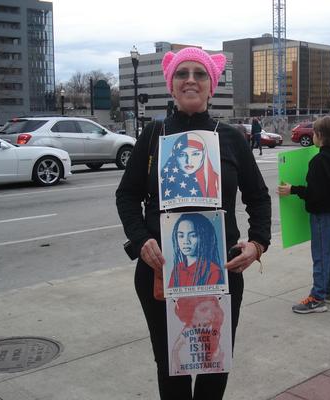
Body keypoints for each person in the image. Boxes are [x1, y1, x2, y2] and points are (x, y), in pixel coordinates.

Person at [116, 46, 271, 400]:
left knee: (215, 363)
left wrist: (257, 243)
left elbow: (259, 197)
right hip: (162, 271)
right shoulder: (154, 135)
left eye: (199, 74)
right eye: (182, 74)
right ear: (172, 85)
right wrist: (141, 240)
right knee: (171, 367)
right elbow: (126, 196)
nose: (190, 80)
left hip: (221, 270)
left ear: (211, 85)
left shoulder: (230, 137)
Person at [277, 116, 330, 313]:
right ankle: (329, 291)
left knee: (320, 255)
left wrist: (293, 189)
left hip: (322, 214)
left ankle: (317, 297)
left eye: (314, 133)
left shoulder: (319, 160)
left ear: (319, 136)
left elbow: (314, 193)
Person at [171, 296, 225, 374]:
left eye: (213, 311)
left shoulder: (210, 336)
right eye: (204, 310)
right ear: (189, 312)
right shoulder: (183, 343)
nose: (211, 316)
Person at [169, 213, 224, 288]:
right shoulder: (177, 269)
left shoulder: (213, 271)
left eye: (193, 235)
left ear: (204, 237)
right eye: (181, 236)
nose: (186, 241)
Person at [161, 132, 219, 200]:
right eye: (182, 155)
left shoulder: (215, 180)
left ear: (203, 155)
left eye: (195, 154)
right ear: (175, 156)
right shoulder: (165, 177)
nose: (189, 161)